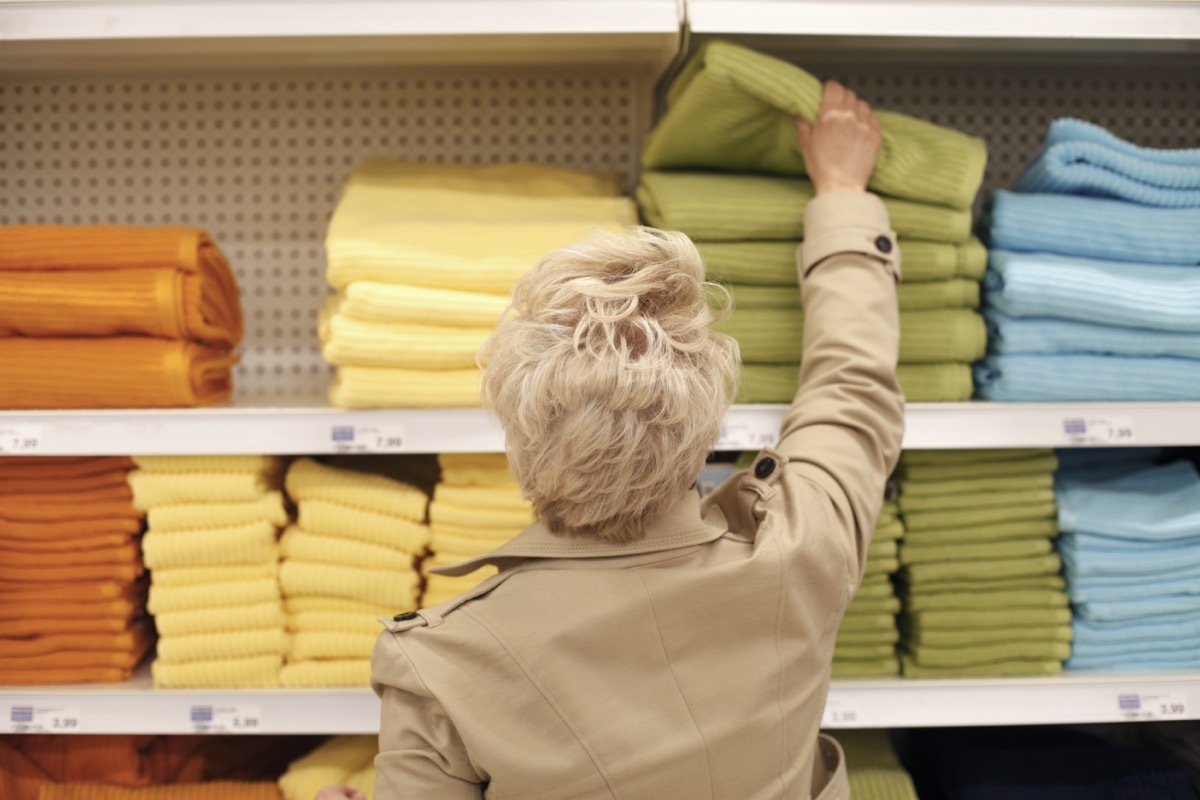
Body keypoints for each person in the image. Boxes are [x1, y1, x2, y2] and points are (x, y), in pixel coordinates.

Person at [321, 79, 902, 800]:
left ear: (518, 437)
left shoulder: (445, 663)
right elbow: (853, 388)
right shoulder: (805, 545)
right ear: (705, 433)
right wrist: (843, 195)